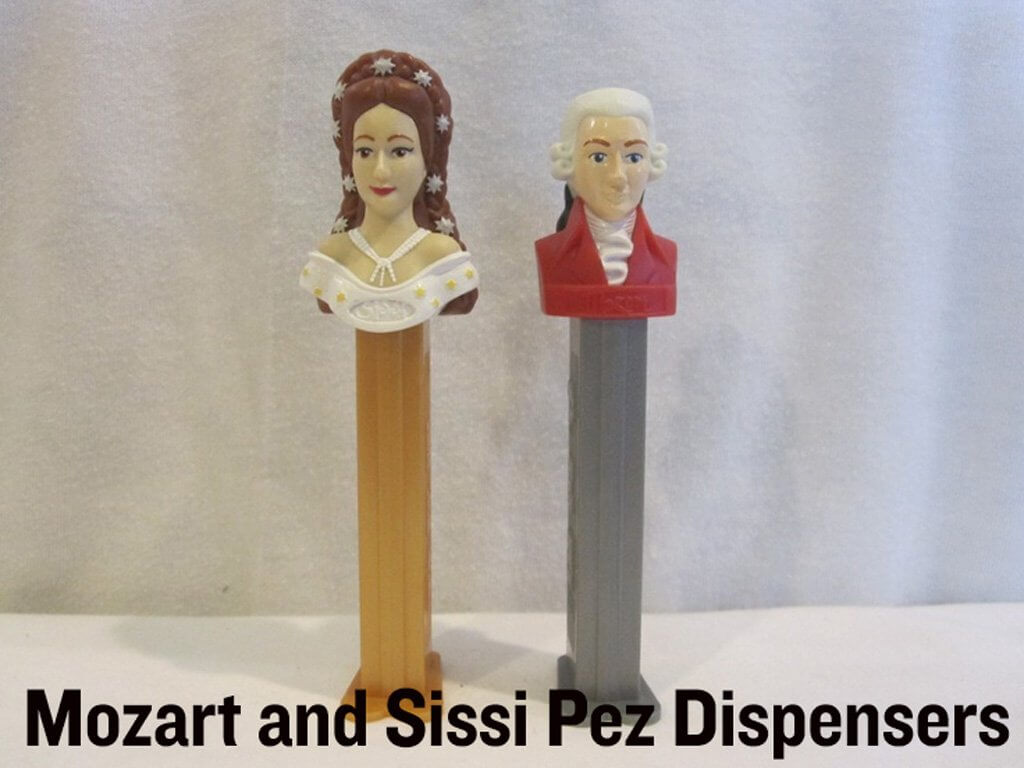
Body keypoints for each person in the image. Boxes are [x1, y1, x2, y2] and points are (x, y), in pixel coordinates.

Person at [300, 50, 478, 331]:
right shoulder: (333, 256)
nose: (380, 170)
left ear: (427, 159)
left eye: (399, 151)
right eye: (365, 151)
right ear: (349, 158)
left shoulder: (442, 257)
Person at [535, 88, 675, 319]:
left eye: (634, 157)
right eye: (598, 157)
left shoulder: (666, 255)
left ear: (652, 163)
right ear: (568, 162)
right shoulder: (550, 254)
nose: (618, 176)